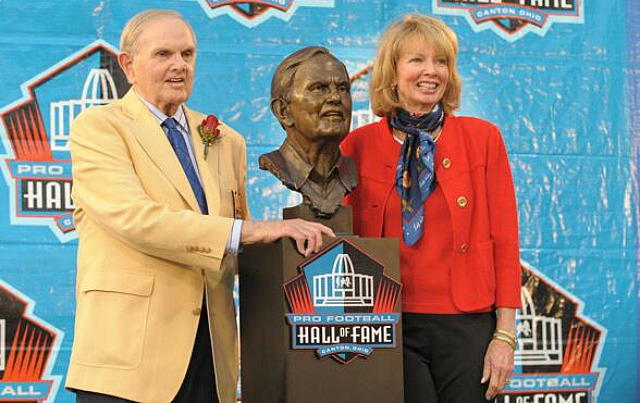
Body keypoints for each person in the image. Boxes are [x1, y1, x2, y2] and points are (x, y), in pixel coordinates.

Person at [65, 9, 333, 403]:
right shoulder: (99, 128)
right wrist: (255, 230)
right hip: (126, 364)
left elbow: (236, 248)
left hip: (211, 359)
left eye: (187, 54)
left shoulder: (226, 139)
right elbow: (136, 220)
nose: (179, 65)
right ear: (128, 65)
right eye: (163, 54)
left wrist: (310, 264)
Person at [342, 14, 521, 402]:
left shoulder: (483, 139)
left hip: (467, 323)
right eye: (417, 60)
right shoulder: (356, 146)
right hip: (387, 325)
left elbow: (505, 241)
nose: (431, 71)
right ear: (392, 72)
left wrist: (505, 335)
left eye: (441, 61)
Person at [259, 46, 358, 218]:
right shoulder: (277, 165)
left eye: (343, 88)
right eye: (319, 88)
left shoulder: (351, 171)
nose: (335, 97)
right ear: (283, 110)